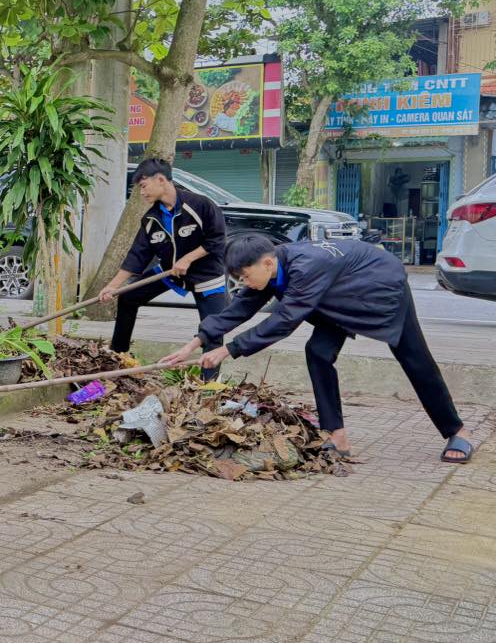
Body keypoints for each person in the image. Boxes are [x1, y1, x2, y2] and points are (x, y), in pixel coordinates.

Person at [163, 233, 473, 464]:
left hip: (380, 288)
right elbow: (238, 309)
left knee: (414, 358)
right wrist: (195, 343)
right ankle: (336, 436)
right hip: (334, 298)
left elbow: (284, 321)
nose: (244, 283)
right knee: (319, 353)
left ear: (267, 263)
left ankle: (457, 431)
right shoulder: (271, 270)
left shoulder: (306, 268)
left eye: (245, 276)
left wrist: (227, 350)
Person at [99, 157, 228, 381]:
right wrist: (112, 287)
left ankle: (209, 384)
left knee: (212, 329)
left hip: (208, 278)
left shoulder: (200, 205)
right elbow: (137, 256)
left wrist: (188, 258)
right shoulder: (151, 219)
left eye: (143, 186)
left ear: (161, 180)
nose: (141, 192)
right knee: (128, 297)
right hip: (171, 274)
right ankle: (119, 356)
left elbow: (216, 240)